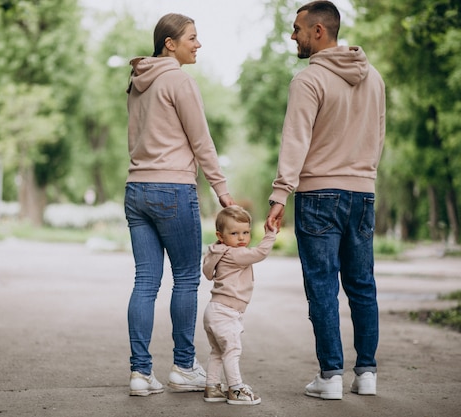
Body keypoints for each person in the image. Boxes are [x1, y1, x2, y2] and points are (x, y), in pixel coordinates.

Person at [266, 0, 386, 400]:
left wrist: (280, 194)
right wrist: (364, 178)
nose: (292, 35)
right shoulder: (375, 80)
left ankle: (331, 376)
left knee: (322, 286)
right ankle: (366, 373)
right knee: (362, 284)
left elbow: (296, 140)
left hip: (319, 193)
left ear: (319, 31)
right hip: (363, 193)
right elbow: (378, 137)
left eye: (297, 28)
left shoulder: (308, 80)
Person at [125, 13, 236, 397]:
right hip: (172, 189)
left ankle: (140, 374)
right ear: (169, 43)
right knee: (187, 277)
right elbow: (201, 141)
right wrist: (222, 190)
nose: (198, 43)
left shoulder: (138, 82)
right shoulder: (179, 80)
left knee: (145, 282)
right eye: (192, 37)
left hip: (136, 190)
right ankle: (184, 366)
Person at [202, 206, 276, 405]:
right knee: (232, 351)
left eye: (245, 232)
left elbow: (208, 273)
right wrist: (271, 234)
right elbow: (260, 253)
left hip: (214, 310)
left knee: (218, 351)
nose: (241, 238)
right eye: (234, 233)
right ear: (221, 235)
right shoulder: (235, 254)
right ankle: (235, 389)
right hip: (226, 312)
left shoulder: (217, 251)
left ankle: (212, 387)